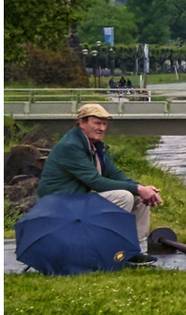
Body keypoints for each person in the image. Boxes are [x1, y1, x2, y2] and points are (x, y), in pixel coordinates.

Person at [36, 103, 163, 265]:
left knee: (140, 199)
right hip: (61, 204)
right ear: (82, 122)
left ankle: (133, 252)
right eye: (97, 123)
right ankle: (106, 250)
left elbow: (115, 175)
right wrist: (138, 188)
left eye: (104, 124)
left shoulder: (95, 146)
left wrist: (143, 189)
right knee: (124, 197)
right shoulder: (71, 146)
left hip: (79, 198)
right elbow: (96, 182)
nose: (102, 128)